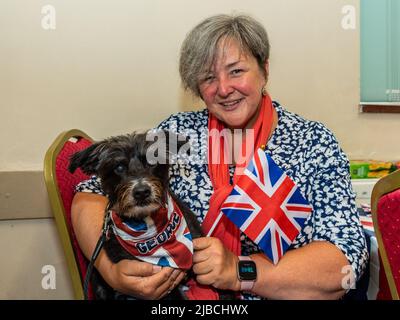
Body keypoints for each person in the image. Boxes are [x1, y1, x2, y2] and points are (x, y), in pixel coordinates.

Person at [71, 14, 368, 300]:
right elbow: (88, 197)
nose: (224, 89)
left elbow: (344, 264)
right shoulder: (176, 135)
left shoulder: (312, 142)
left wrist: (238, 271)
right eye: (209, 77)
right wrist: (112, 271)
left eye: (236, 71)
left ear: (264, 69)